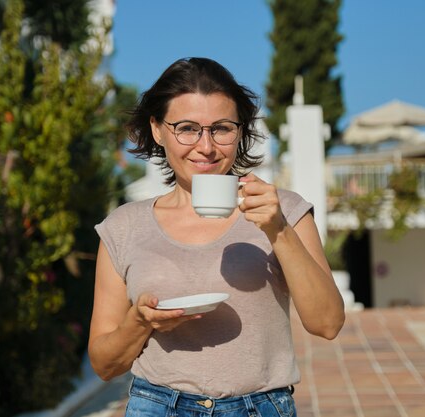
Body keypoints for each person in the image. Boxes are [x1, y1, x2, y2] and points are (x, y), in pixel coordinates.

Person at [88, 57, 345, 417]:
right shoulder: (123, 227)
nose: (206, 146)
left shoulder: (283, 210)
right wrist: (141, 322)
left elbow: (328, 324)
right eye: (187, 128)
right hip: (157, 407)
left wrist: (279, 230)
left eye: (221, 128)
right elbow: (104, 364)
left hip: (261, 407)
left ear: (240, 131)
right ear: (158, 130)